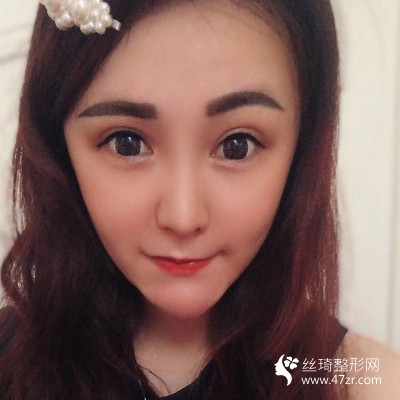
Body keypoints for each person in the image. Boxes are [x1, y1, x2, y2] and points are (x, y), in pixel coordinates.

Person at [0, 0, 399, 399]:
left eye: (237, 146)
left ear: (301, 147)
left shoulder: (366, 384)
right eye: (127, 143)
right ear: (58, 149)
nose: (183, 217)